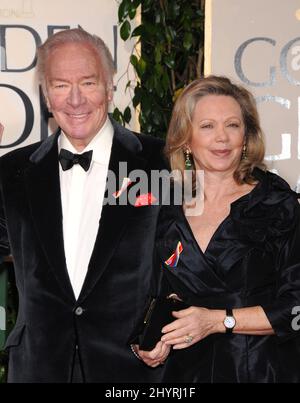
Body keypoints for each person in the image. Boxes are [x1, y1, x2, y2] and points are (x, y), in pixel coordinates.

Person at [0, 28, 167, 383]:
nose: (75, 100)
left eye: (88, 83)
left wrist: (168, 328)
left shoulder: (158, 162)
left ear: (109, 88)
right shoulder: (13, 172)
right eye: (61, 85)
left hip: (132, 370)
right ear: (46, 95)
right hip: (38, 369)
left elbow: (186, 262)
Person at [136, 75, 300, 382]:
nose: (222, 138)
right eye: (207, 126)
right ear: (186, 138)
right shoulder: (165, 210)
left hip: (260, 370)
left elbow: (296, 310)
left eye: (233, 125)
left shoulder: (279, 206)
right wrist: (149, 339)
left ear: (246, 136)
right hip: (183, 375)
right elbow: (152, 294)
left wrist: (218, 321)